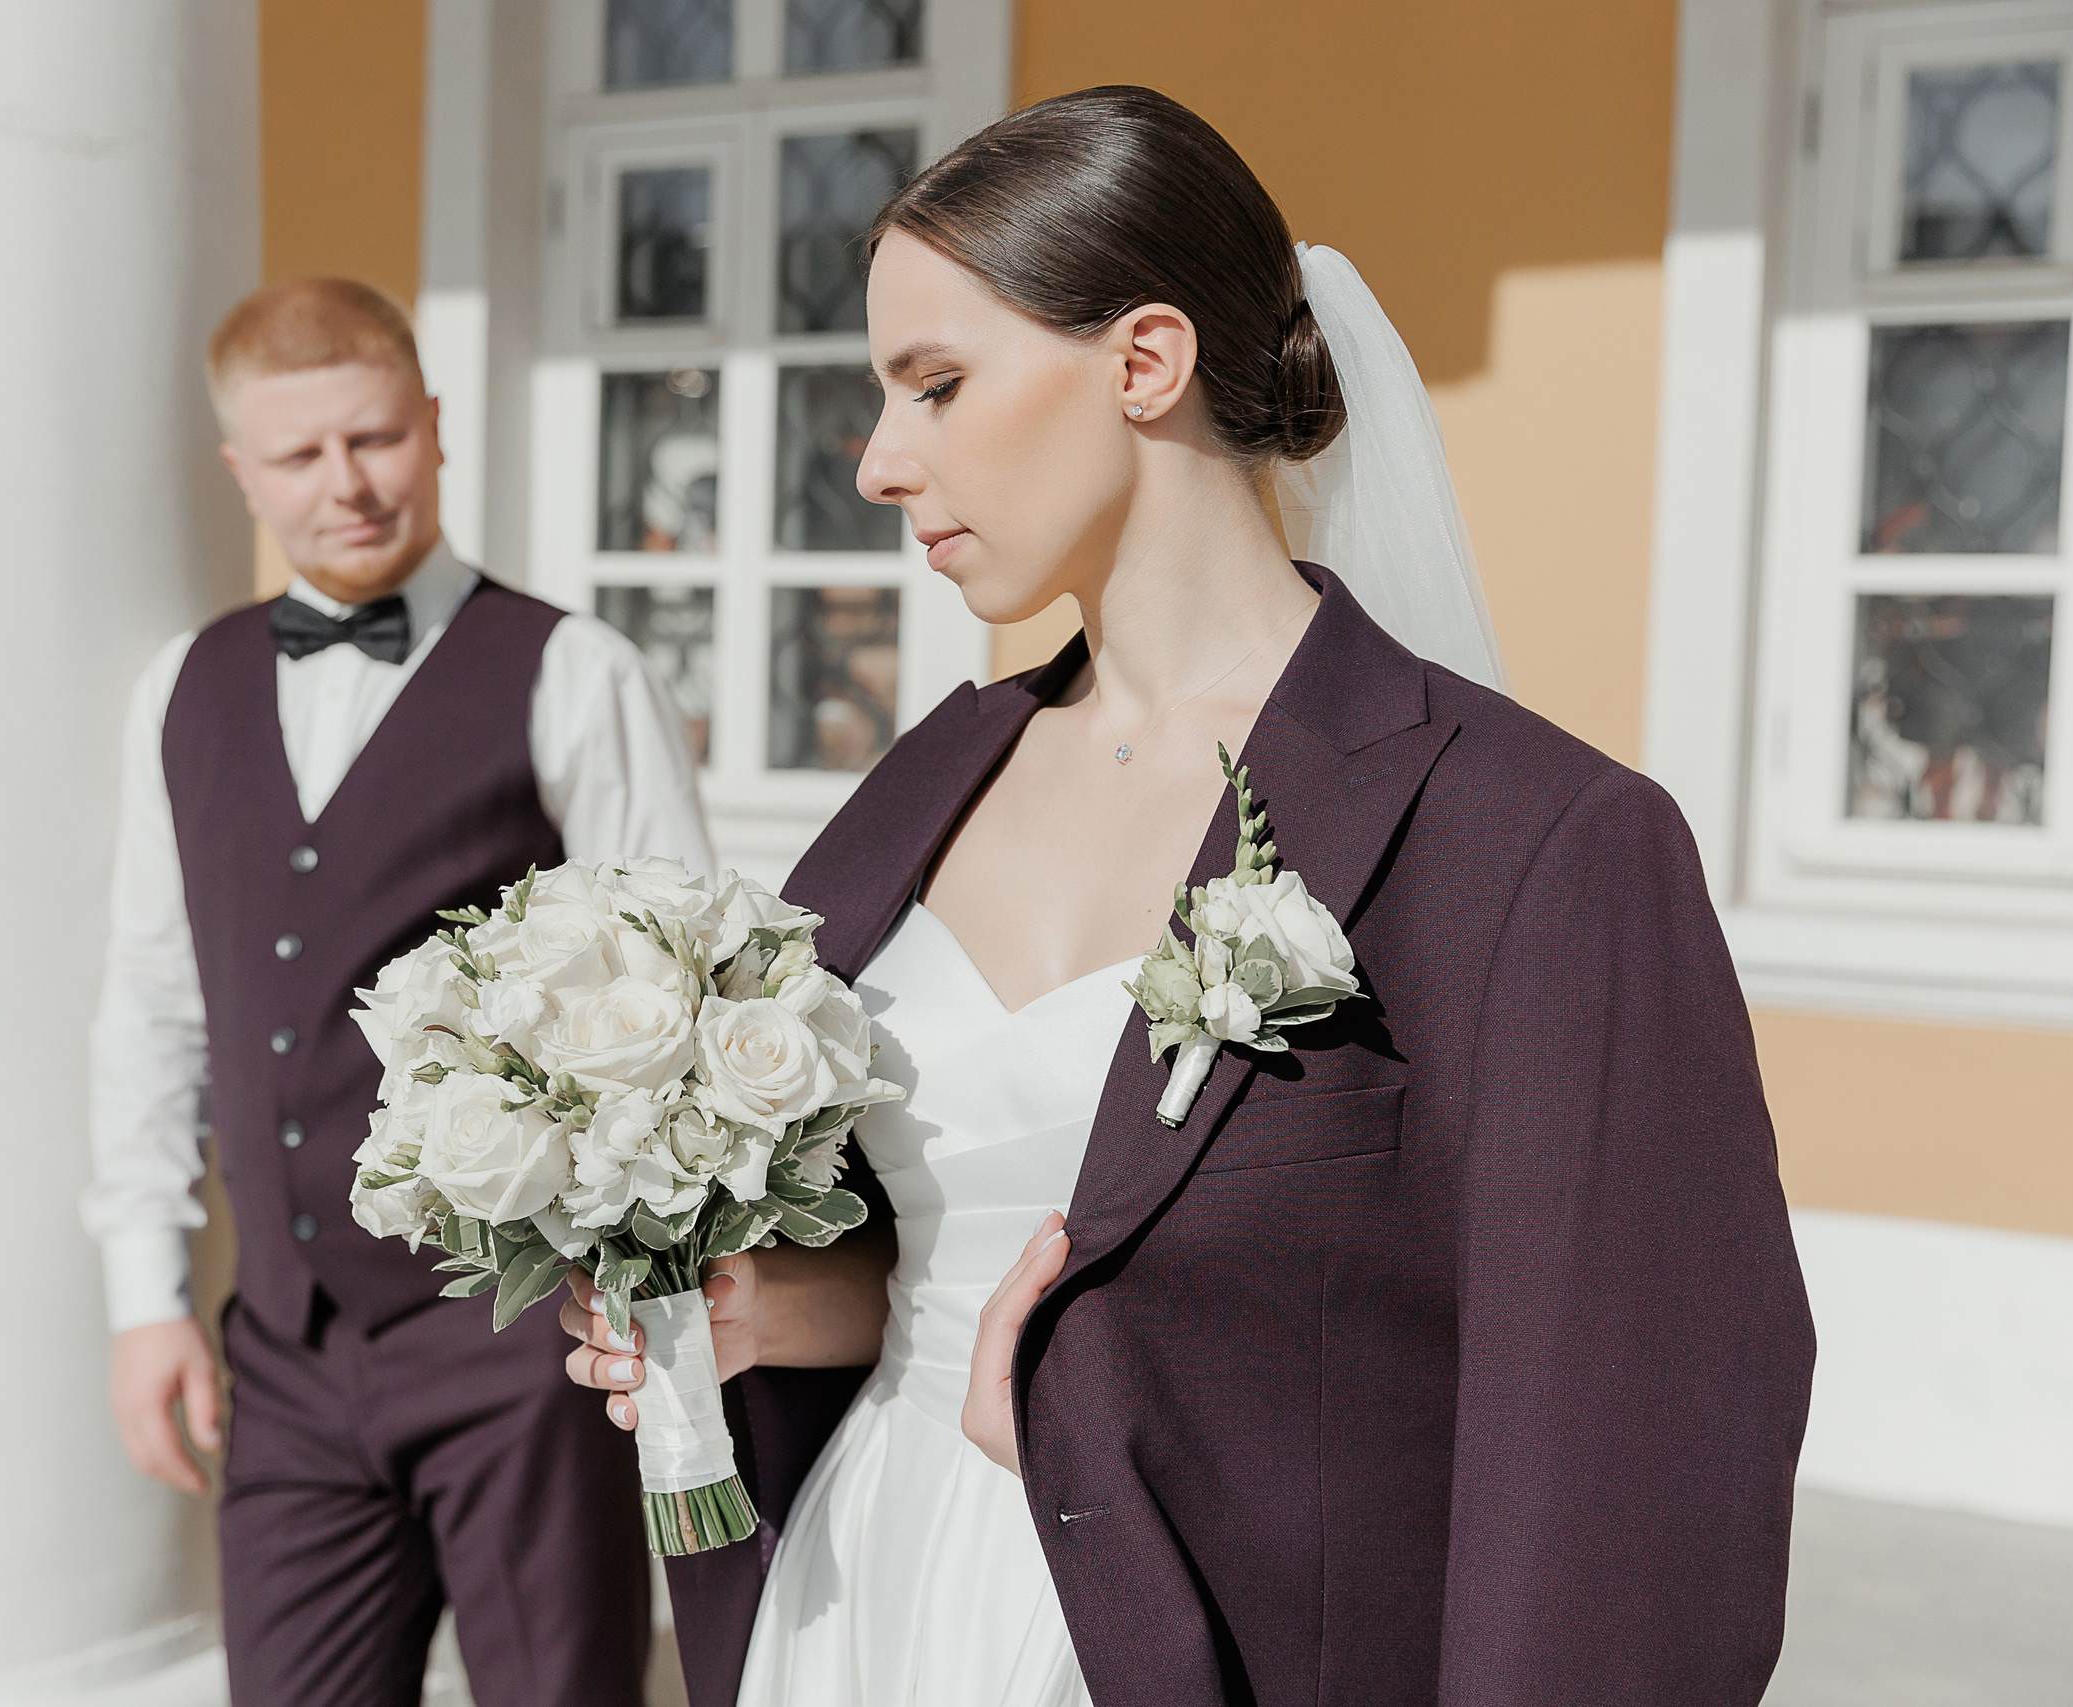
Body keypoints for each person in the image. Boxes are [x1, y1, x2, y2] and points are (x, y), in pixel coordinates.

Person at [562, 87, 1815, 1707]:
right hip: (863, 1600)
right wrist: (762, 1309)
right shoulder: (922, 782)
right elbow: (937, 1245)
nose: (879, 463)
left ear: (1143, 362)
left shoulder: (1541, 840)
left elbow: (1630, 1480)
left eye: (936, 385)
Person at [85, 277, 713, 1707]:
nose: (347, 486)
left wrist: (653, 1312)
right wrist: (146, 1291)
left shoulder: (575, 673)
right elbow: (156, 999)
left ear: (435, 429)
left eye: (375, 439)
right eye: (300, 457)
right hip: (286, 1353)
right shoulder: (183, 690)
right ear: (241, 471)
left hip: (521, 1347)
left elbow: (671, 1014)